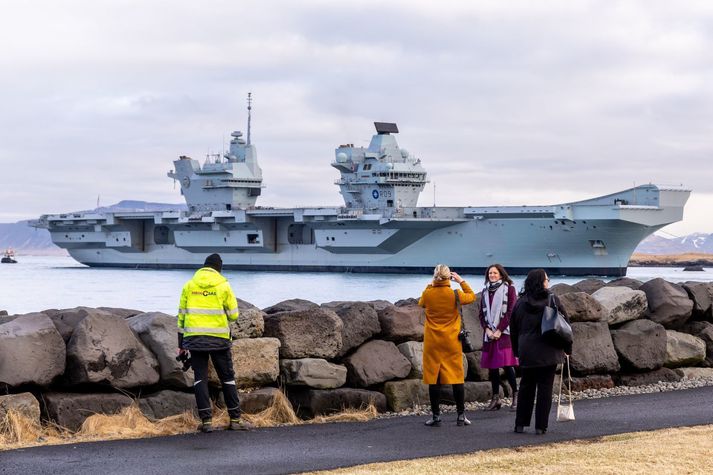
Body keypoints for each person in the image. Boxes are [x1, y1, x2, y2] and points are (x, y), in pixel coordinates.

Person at [178, 253, 251, 433]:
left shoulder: (189, 285)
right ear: (219, 268)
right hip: (219, 339)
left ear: (203, 267)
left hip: (194, 340)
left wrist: (181, 345)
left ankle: (207, 422)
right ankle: (235, 419)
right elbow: (234, 315)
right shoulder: (223, 285)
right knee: (227, 378)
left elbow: (181, 318)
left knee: (200, 379)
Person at [510, 269, 572, 435]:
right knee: (545, 389)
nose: (548, 282)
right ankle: (541, 427)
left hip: (527, 350)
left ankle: (520, 424)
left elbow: (514, 328)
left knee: (526, 387)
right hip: (548, 350)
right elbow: (565, 326)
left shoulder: (520, 302)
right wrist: (568, 348)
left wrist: (516, 351)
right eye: (547, 279)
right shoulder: (552, 300)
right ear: (542, 282)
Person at [418, 264, 476, 427]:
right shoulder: (455, 294)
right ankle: (460, 416)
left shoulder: (429, 293)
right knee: (457, 377)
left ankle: (436, 417)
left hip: (433, 342)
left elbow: (421, 303)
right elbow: (472, 296)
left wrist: (431, 283)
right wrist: (461, 281)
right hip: (451, 341)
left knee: (434, 379)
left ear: (435, 276)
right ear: (449, 277)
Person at [478, 264, 519, 411]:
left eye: (495, 273)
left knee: (508, 366)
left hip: (504, 334)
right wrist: (487, 329)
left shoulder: (510, 289)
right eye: (490, 273)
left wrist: (499, 330)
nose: (492, 275)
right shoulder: (484, 292)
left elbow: (511, 312)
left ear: (501, 274)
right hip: (489, 335)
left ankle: (516, 396)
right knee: (492, 368)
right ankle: (496, 398)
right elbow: (481, 315)